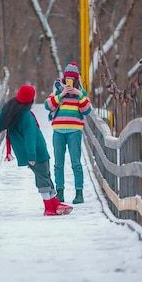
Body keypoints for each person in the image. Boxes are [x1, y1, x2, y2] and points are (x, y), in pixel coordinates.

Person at [0, 85, 73, 216]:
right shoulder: (26, 115)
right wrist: (32, 156)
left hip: (30, 152)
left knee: (44, 176)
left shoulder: (9, 108)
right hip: (37, 152)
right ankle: (49, 207)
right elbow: (30, 136)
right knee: (43, 177)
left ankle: (55, 204)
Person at [44, 62, 92, 204]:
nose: (69, 82)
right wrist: (62, 94)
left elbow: (87, 110)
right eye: (67, 79)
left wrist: (79, 95)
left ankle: (79, 193)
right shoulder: (58, 90)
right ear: (64, 79)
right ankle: (60, 193)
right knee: (58, 163)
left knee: (76, 163)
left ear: (76, 80)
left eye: (72, 79)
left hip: (74, 131)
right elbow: (48, 105)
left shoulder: (81, 93)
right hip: (58, 131)